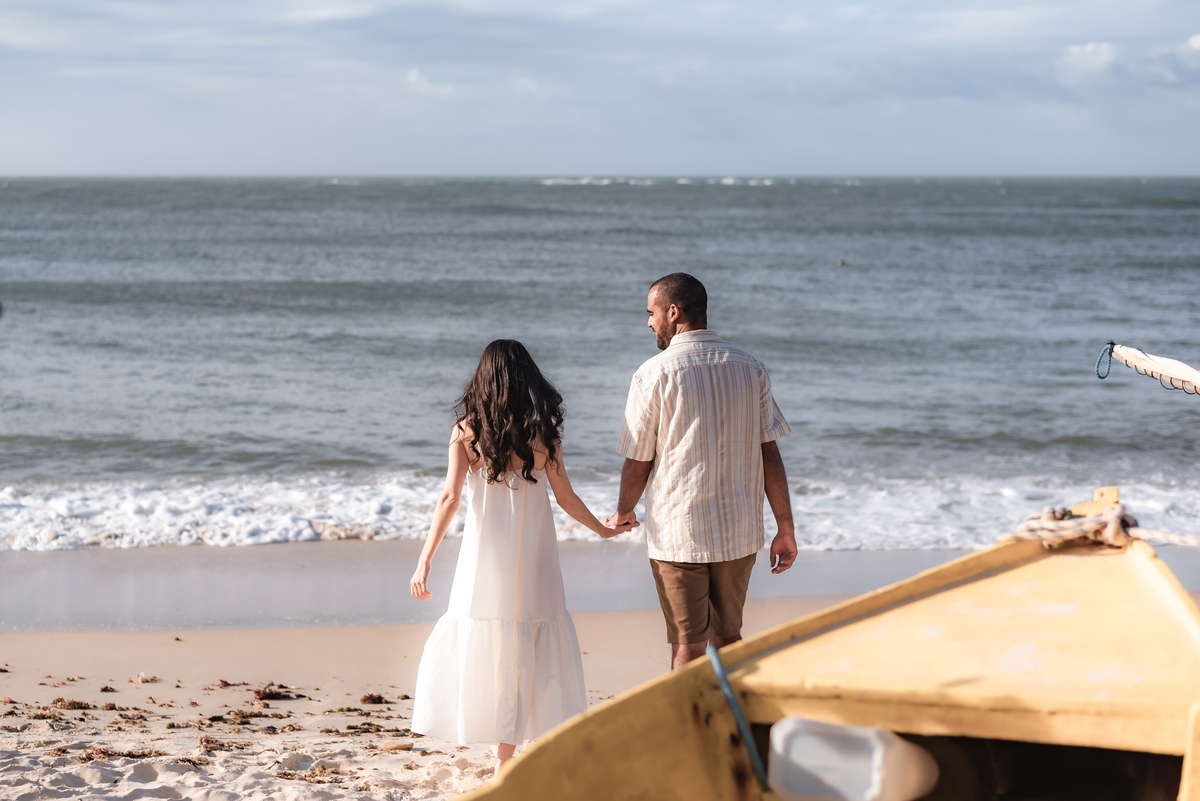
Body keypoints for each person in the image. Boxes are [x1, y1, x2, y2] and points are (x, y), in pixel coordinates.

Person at [410, 339, 630, 773]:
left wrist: (425, 558)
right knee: (528, 638)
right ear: (526, 379)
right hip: (534, 555)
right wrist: (603, 530)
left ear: (483, 379)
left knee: (490, 637)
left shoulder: (466, 432)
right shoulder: (543, 435)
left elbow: (450, 498)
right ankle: (505, 756)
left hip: (484, 556)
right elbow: (566, 498)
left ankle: (500, 750)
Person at [607, 273, 798, 670]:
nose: (648, 323)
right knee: (728, 639)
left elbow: (638, 461)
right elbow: (770, 452)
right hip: (738, 530)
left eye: (651, 313)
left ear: (673, 312)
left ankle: (689, 713)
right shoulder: (750, 367)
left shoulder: (653, 374)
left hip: (680, 534)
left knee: (688, 648)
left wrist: (624, 511)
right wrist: (785, 527)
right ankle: (732, 709)